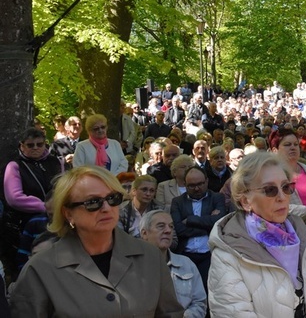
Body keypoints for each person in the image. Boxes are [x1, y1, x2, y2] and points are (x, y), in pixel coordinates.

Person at [10, 166, 183, 317]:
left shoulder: (150, 256)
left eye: (112, 198)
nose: (106, 208)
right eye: (93, 202)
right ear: (68, 213)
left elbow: (170, 313)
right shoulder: (40, 269)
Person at [207, 152, 306, 316]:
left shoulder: (304, 236)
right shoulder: (228, 253)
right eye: (270, 190)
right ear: (245, 201)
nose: (282, 197)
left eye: (286, 187)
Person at [2, 128, 63, 264]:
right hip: (27, 222)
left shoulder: (56, 162)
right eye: (30, 145)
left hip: (57, 218)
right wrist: (45, 207)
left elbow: (63, 187)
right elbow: (14, 198)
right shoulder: (15, 166)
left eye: (39, 144)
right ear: (22, 146)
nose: (35, 148)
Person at [140, 210, 207, 318]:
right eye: (161, 226)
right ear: (144, 233)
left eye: (171, 226)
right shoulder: (132, 266)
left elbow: (199, 303)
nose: (168, 230)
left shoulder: (187, 264)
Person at [171, 165, 227, 291]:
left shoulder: (217, 198)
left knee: (208, 289)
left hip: (210, 254)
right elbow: (179, 229)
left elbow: (220, 223)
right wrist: (208, 224)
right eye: (191, 185)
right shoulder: (177, 202)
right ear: (185, 184)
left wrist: (191, 220)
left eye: (200, 184)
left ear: (207, 181)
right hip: (185, 255)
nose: (197, 188)